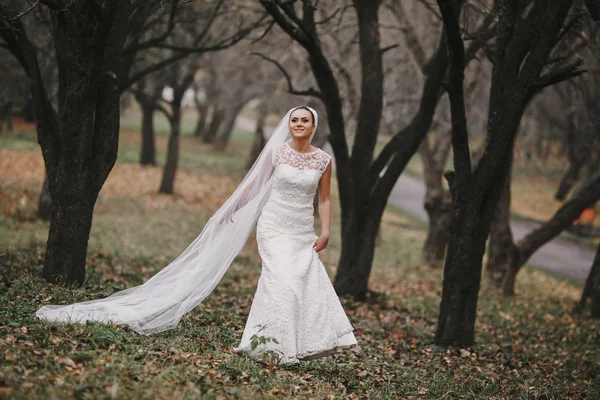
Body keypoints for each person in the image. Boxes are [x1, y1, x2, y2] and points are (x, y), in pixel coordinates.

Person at [36, 106, 357, 364]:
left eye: (305, 121)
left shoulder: (323, 161)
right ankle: (277, 349)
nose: (299, 124)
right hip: (274, 228)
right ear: (288, 125)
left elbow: (325, 198)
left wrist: (326, 230)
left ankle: (290, 344)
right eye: (294, 120)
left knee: (300, 284)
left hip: (302, 230)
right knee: (281, 283)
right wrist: (229, 210)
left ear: (313, 127)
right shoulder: (277, 154)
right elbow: (252, 186)